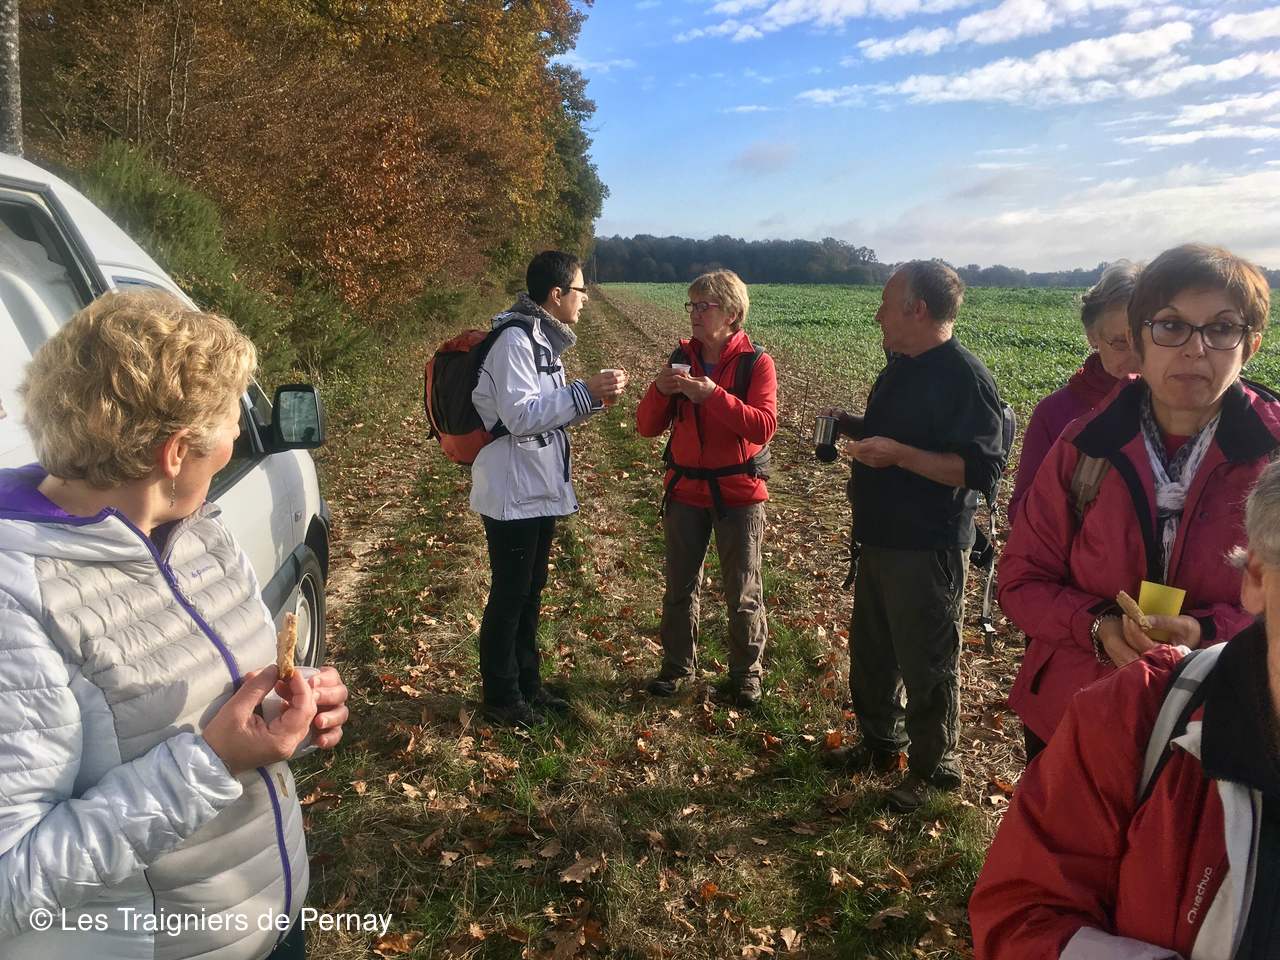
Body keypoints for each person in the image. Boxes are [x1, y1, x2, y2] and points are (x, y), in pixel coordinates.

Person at [0, 291, 350, 960]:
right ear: (176, 451)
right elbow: (10, 883)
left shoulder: (196, 531)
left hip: (269, 919)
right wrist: (211, 764)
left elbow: (214, 700)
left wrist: (289, 712)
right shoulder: (17, 596)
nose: (236, 443)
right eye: (231, 427)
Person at [970, 457, 1280, 960]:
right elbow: (1022, 913)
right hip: (1094, 709)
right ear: (1258, 577)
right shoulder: (1140, 711)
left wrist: (1203, 627)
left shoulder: (1258, 447)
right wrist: (1095, 625)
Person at [1002, 243, 1279, 763]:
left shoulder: (1274, 459)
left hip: (1217, 725)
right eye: (1171, 326)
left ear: (1251, 346)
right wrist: (1100, 627)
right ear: (1138, 339)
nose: (1195, 349)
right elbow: (1021, 580)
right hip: (1078, 711)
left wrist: (1206, 631)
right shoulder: (1083, 446)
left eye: (1222, 328)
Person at [821, 261, 1006, 813]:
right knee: (873, 653)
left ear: (917, 309)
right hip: (880, 536)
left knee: (928, 662)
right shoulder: (900, 367)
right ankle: (881, 744)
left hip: (929, 547)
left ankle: (935, 772)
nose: (878, 314)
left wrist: (898, 455)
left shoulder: (964, 378)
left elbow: (981, 470)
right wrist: (853, 425)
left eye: (886, 303)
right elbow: (897, 434)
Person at [470, 251, 626, 727]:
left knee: (530, 591)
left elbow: (546, 410)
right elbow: (520, 416)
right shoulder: (515, 341)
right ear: (556, 295)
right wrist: (583, 391)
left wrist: (590, 399)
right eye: (580, 290)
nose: (585, 299)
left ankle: (527, 684)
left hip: (534, 488)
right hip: (511, 491)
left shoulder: (541, 341)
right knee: (510, 595)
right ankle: (501, 696)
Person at [636, 269, 778, 708]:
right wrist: (660, 390)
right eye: (692, 305)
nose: (694, 314)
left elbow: (764, 426)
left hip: (738, 494)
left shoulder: (756, 362)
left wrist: (713, 395)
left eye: (704, 306)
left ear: (731, 313)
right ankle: (677, 668)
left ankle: (746, 675)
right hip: (684, 491)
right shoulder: (681, 357)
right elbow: (646, 426)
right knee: (679, 587)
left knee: (743, 591)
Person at [1007, 260, 1141, 521]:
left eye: (1147, 339)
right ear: (1093, 336)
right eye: (1120, 342)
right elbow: (1021, 513)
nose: (1137, 356)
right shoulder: (1055, 413)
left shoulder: (1183, 411)